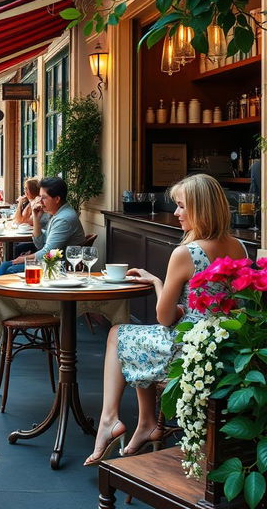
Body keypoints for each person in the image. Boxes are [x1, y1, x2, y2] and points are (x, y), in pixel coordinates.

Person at [84, 174, 248, 466]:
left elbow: (164, 317)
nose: (176, 213)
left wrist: (157, 282)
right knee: (136, 339)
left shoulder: (186, 252)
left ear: (201, 209)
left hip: (192, 352)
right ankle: (146, 422)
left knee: (118, 334)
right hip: (227, 348)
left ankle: (110, 419)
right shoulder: (239, 247)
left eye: (182, 206)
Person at [0, 177, 85, 275]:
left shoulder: (63, 219)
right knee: (5, 265)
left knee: (10, 268)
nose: (40, 201)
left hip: (59, 267)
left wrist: (24, 258)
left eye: (44, 197)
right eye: (40, 197)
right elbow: (40, 244)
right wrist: (36, 218)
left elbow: (47, 253)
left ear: (57, 199)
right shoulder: (57, 214)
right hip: (50, 262)